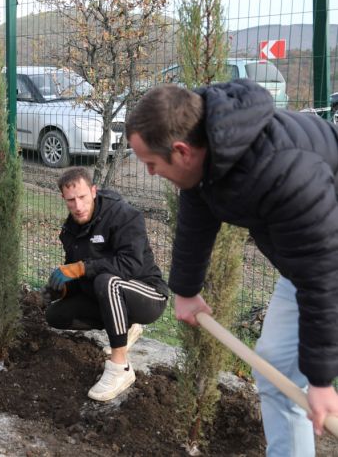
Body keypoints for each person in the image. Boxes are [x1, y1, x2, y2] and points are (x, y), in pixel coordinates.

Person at [126, 80, 338, 454]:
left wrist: (321, 381)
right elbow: (197, 209)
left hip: (326, 266)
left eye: (151, 164)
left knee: (302, 378)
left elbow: (323, 276)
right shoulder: (210, 146)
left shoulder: (285, 171)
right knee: (277, 375)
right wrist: (187, 290)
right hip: (310, 265)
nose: (151, 173)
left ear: (181, 151)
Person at [44, 167, 168, 401]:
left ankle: (120, 368)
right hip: (109, 294)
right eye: (71, 200)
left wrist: (82, 268)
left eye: (82, 197)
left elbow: (130, 264)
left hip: (147, 292)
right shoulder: (70, 230)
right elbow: (77, 273)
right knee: (55, 315)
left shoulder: (124, 216)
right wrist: (61, 288)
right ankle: (125, 327)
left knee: (106, 281)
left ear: (93, 191)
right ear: (63, 198)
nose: (78, 206)